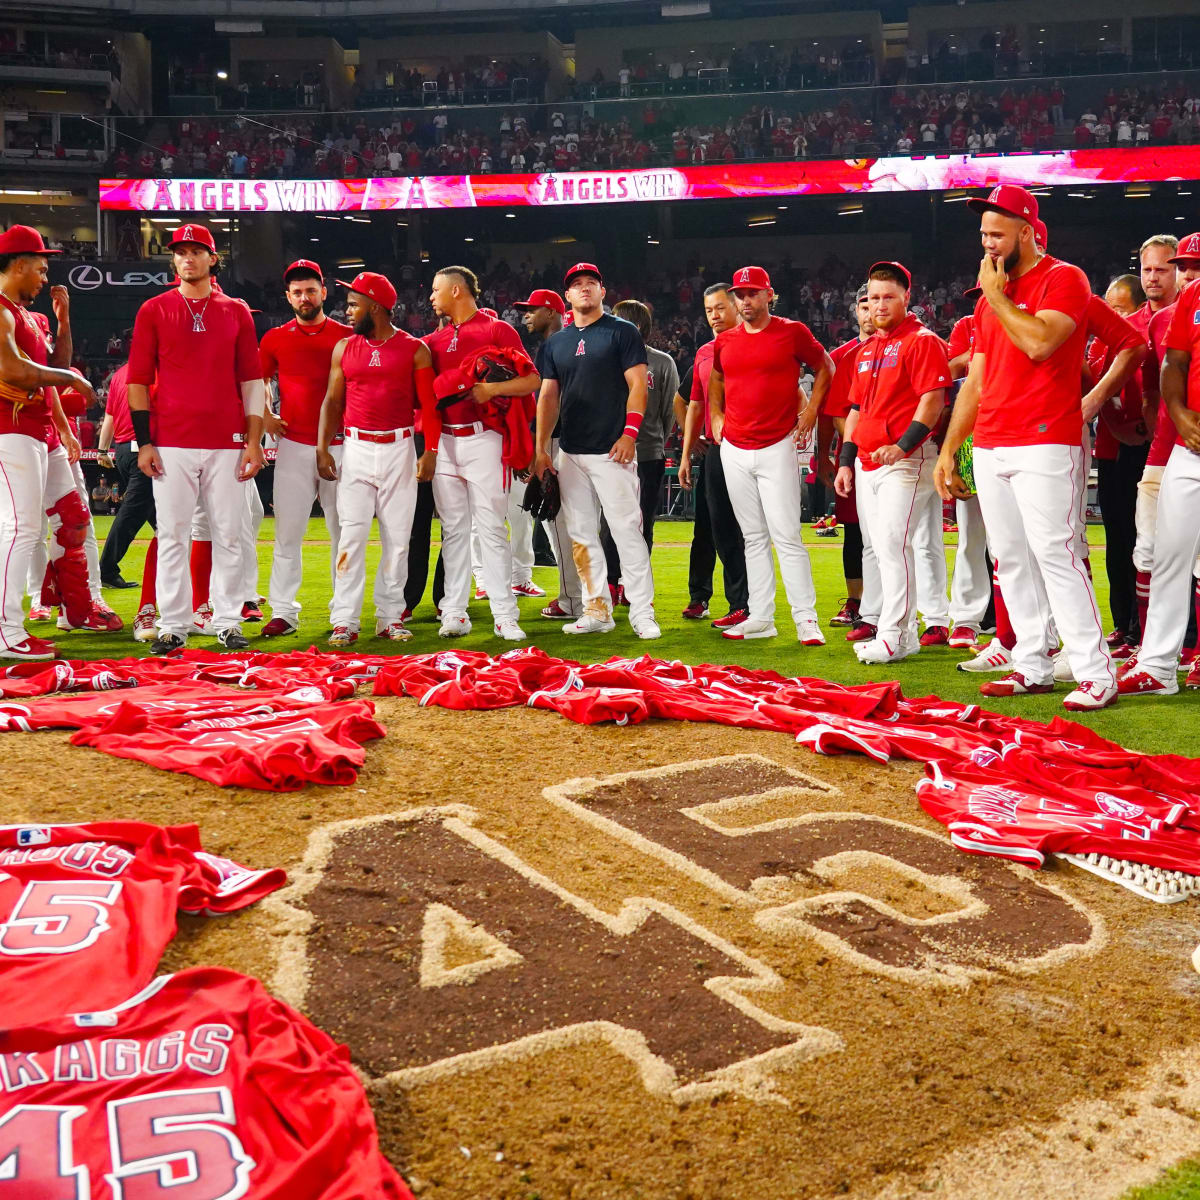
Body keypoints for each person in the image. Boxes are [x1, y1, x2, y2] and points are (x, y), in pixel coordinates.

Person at [934, 185, 1115, 710]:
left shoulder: (1064, 278)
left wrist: (995, 297)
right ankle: (1031, 664)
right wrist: (951, 448)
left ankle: (1094, 672)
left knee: (1057, 554)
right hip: (992, 442)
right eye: (983, 234)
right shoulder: (996, 289)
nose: (987, 243)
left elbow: (1040, 341)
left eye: (996, 233)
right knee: (1009, 558)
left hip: (1045, 439)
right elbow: (977, 380)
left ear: (1027, 231)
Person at [127, 223, 266, 656]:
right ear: (173, 260)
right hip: (170, 440)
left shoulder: (236, 311)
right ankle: (173, 624)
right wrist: (145, 441)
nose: (187, 258)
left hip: (227, 439)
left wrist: (254, 441)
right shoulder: (153, 309)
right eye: (181, 252)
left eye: (196, 251)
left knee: (229, 532)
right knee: (173, 534)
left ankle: (226, 621)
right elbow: (138, 381)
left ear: (213, 258)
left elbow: (252, 381)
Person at [531, 262, 659, 639]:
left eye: (591, 283)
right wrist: (541, 449)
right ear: (567, 297)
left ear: (603, 292)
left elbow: (639, 385)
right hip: (570, 450)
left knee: (626, 531)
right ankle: (597, 609)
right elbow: (548, 396)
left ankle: (641, 611)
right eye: (577, 285)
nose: (584, 288)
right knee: (582, 535)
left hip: (612, 449)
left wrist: (630, 434)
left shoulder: (623, 332)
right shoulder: (556, 342)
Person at [707, 264, 834, 644]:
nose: (745, 300)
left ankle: (806, 619)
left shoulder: (791, 332)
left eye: (752, 293)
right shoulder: (725, 340)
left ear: (769, 294)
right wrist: (716, 415)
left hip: (777, 443)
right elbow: (716, 377)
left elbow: (825, 364)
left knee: (787, 535)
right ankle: (762, 617)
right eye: (740, 295)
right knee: (753, 536)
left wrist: (810, 410)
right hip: (734, 447)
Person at [835, 261, 951, 664]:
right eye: (873, 297)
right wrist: (846, 462)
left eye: (888, 297)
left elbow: (933, 401)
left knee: (892, 544)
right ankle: (904, 636)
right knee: (884, 546)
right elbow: (855, 410)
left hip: (906, 460)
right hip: (868, 462)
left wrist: (902, 446)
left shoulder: (922, 341)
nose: (880, 305)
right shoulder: (867, 348)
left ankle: (892, 634)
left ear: (907, 298)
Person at [318, 270, 438, 646]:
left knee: (398, 539)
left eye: (354, 304)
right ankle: (345, 620)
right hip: (355, 448)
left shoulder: (414, 349)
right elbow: (333, 401)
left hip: (399, 448)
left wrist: (430, 451)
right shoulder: (344, 348)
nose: (347, 310)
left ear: (376, 306)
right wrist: (323, 447)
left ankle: (389, 617)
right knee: (350, 537)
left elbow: (430, 407)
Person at [0, 226, 98, 661]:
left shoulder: (23, 314)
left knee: (74, 519)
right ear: (18, 264)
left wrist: (64, 321)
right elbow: (18, 371)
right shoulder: (1, 310)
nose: (44, 277)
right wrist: (72, 378)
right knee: (20, 529)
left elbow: (52, 365)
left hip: (38, 429)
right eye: (40, 268)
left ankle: (75, 609)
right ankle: (7, 630)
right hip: (12, 429)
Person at [425, 266, 538, 641]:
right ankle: (454, 612)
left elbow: (532, 380)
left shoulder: (496, 330)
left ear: (457, 291)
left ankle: (505, 615)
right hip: (444, 442)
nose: (431, 297)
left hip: (484, 438)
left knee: (490, 527)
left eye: (436, 290)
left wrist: (492, 391)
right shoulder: (433, 341)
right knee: (453, 531)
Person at [257, 259, 352, 638]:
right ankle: (283, 611)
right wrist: (265, 413)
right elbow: (259, 380)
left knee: (343, 531)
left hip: (342, 444)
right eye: (297, 291)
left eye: (311, 290)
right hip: (294, 445)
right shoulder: (276, 338)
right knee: (287, 532)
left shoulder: (348, 336)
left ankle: (342, 611)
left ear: (324, 292)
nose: (304, 297)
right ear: (288, 297)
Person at [1120, 270, 1200, 696]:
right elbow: (1175, 362)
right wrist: (1180, 412)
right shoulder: (1193, 298)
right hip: (1190, 445)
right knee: (1168, 555)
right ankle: (1158, 666)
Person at [677, 283, 748, 627]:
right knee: (707, 525)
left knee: (735, 528)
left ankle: (743, 603)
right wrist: (687, 450)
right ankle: (700, 596)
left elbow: (793, 394)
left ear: (736, 307)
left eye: (720, 308)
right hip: (715, 450)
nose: (715, 316)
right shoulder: (705, 352)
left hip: (748, 446)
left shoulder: (755, 345)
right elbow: (691, 402)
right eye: (709, 310)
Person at [815, 283, 881, 642]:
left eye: (877, 302)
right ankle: (856, 601)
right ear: (856, 310)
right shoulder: (841, 355)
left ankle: (900, 606)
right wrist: (826, 454)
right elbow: (832, 412)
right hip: (851, 457)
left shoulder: (905, 346)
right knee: (854, 530)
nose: (870, 310)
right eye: (864, 303)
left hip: (892, 453)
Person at [600, 299, 677, 604]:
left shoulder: (661, 362)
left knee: (643, 522)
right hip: (610, 454)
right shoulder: (605, 359)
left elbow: (670, 411)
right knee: (609, 523)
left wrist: (655, 440)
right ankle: (609, 582)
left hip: (647, 455)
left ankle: (634, 585)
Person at [1091, 273, 1151, 657]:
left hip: (1141, 445)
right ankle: (1122, 625)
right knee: (1117, 541)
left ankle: (1140, 629)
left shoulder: (1142, 332)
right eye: (1109, 308)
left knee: (1141, 541)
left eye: (1119, 308)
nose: (1113, 316)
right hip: (1111, 447)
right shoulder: (1100, 343)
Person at [514, 286, 581, 620]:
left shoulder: (553, 347)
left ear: (552, 312)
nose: (526, 314)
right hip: (583, 442)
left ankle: (572, 600)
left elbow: (547, 403)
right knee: (580, 524)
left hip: (558, 442)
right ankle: (595, 594)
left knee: (559, 520)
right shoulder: (576, 341)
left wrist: (537, 448)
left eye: (533, 308)